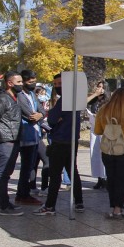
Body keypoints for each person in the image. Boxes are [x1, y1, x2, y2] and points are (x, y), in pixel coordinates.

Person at [34, 73, 84, 217]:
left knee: (55, 174)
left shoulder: (65, 101)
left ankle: (50, 205)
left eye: (60, 84)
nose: (57, 87)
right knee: (72, 170)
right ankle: (79, 201)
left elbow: (52, 120)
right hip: (71, 140)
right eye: (55, 84)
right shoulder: (75, 99)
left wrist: (55, 118)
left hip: (61, 141)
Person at [94, 89, 124, 219]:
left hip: (107, 149)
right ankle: (118, 209)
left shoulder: (103, 110)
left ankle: (113, 207)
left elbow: (97, 130)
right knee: (122, 179)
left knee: (111, 177)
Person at [0, 72, 25, 215]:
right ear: (9, 83)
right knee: (3, 173)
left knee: (7, 172)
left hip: (13, 138)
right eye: (19, 82)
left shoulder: (13, 98)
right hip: (5, 139)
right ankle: (4, 205)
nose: (22, 84)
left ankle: (6, 202)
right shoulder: (2, 99)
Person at [15, 70, 44, 205]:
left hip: (36, 134)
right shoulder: (20, 96)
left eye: (34, 81)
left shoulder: (32, 94)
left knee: (31, 165)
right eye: (30, 82)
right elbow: (29, 114)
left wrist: (41, 115)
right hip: (26, 135)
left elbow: (42, 110)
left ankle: (24, 192)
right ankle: (22, 194)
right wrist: (37, 115)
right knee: (26, 166)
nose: (33, 84)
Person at [87, 80, 109, 190]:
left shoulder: (108, 101)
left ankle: (106, 178)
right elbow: (83, 102)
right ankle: (99, 178)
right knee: (94, 153)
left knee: (104, 154)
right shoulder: (94, 100)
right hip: (94, 128)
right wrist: (95, 95)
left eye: (101, 87)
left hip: (104, 129)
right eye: (98, 86)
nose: (99, 88)